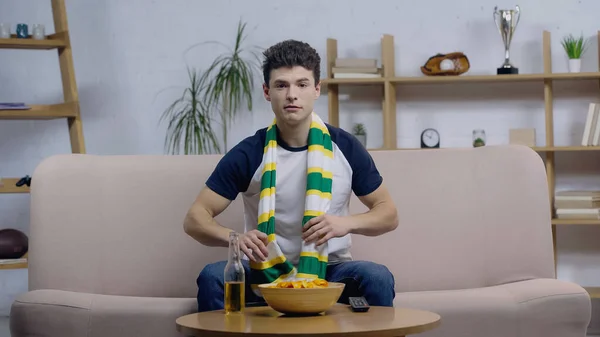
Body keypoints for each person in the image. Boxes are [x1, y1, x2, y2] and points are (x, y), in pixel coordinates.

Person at [184, 39, 399, 312]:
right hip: (265, 268)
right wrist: (236, 238)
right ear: (266, 91)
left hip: (331, 269)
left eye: (302, 84)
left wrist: (345, 224)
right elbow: (194, 219)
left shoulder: (344, 147)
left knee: (377, 277)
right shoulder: (250, 152)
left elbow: (389, 213)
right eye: (281, 85)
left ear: (317, 89)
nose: (291, 95)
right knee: (212, 277)